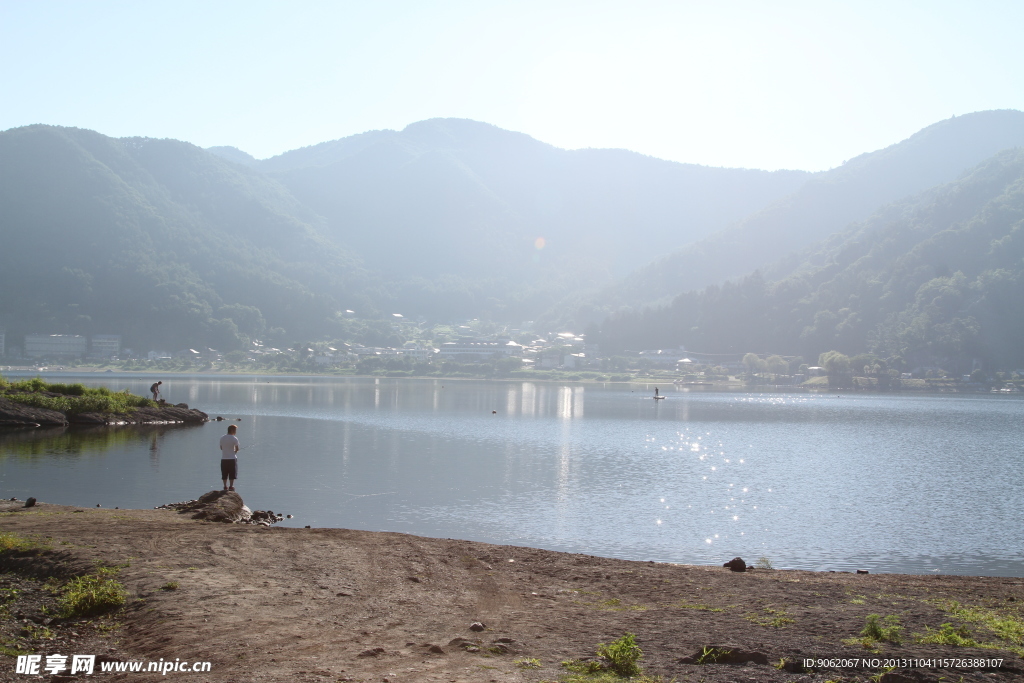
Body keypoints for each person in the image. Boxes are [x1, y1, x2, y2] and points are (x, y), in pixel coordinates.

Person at [219, 424, 240, 491]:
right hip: (232, 459)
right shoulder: (234, 438)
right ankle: (231, 486)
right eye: (235, 430)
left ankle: (225, 486)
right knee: (232, 473)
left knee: (224, 473)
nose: (235, 431)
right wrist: (234, 451)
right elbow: (237, 449)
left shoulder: (222, 438)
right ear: (232, 430)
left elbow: (221, 448)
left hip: (224, 459)